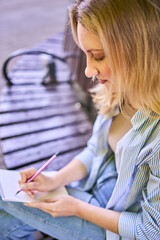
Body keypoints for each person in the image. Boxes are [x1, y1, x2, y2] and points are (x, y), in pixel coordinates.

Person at [0, 0, 160, 239]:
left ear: (136, 50)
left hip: (114, 225)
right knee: (8, 212)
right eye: (86, 54)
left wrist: (77, 208)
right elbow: (95, 150)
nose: (88, 70)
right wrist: (54, 179)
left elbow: (150, 231)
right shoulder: (120, 91)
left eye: (98, 56)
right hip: (97, 191)